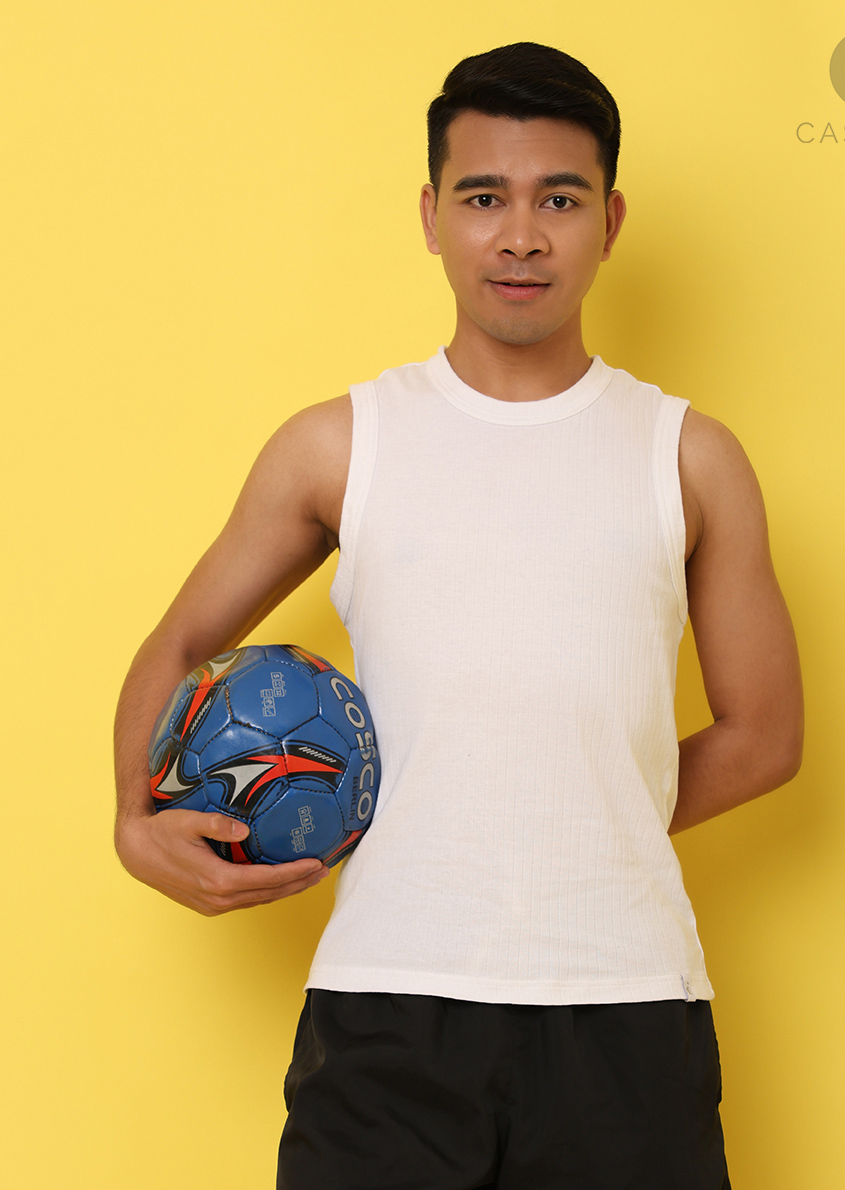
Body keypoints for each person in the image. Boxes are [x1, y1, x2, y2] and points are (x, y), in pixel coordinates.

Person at [114, 41, 802, 1190]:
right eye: (484, 197)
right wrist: (135, 823)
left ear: (610, 222)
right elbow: (180, 645)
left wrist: (583, 806)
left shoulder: (689, 456)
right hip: (385, 1013)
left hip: (626, 1006)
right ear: (432, 216)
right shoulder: (340, 444)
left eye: (559, 200)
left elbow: (766, 735)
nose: (520, 235)